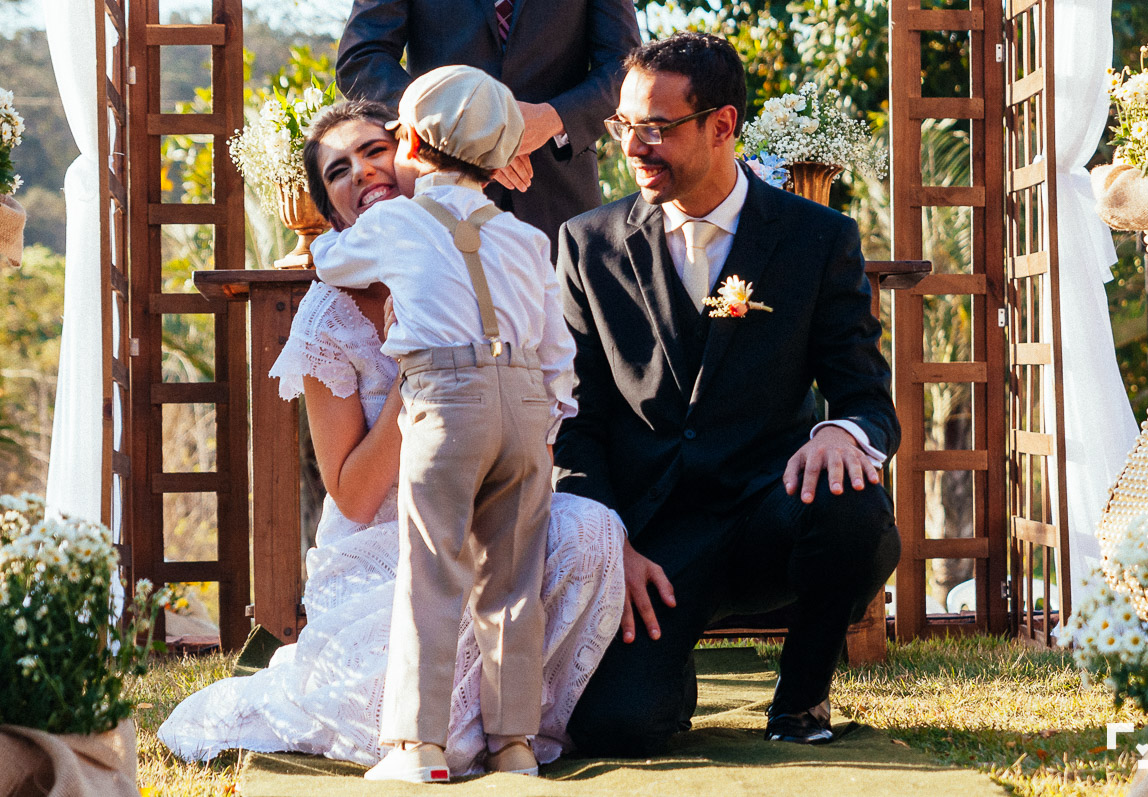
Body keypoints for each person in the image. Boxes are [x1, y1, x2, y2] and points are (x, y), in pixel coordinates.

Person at [156, 98, 624, 776]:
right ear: (333, 208)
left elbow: (542, 406)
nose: (363, 173)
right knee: (438, 600)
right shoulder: (328, 316)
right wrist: (423, 373)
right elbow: (352, 491)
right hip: (380, 549)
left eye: (376, 150)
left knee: (589, 529)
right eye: (339, 169)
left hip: (487, 510)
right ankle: (445, 734)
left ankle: (509, 728)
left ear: (416, 159)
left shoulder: (496, 260)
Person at [554, 32, 903, 755]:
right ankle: (663, 674)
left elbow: (866, 395)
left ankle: (801, 697)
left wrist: (843, 432)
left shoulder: (817, 237)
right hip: (651, 543)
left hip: (768, 521)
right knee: (613, 728)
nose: (635, 145)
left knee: (855, 495)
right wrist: (603, 537)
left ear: (722, 125)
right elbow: (575, 418)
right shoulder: (587, 244)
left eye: (657, 127)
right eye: (626, 126)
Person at [312, 66, 577, 783]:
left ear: (413, 143)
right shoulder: (526, 240)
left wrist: (318, 242)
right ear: (499, 159)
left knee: (433, 572)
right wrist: (550, 417)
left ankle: (417, 745)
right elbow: (558, 348)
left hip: (445, 402)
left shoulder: (394, 224)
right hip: (526, 407)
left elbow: (330, 259)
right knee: (513, 579)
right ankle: (515, 744)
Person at [335, 0, 641, 249]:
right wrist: (460, 128)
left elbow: (624, 65)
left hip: (558, 199)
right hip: (441, 205)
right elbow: (361, 59)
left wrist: (552, 118)